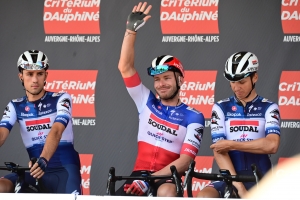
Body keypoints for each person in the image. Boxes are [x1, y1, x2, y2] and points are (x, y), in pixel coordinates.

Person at [116, 2, 205, 197]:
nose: (161, 84)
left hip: (168, 178)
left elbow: (185, 161)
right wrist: (130, 31)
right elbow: (125, 68)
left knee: (166, 193)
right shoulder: (146, 100)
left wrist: (149, 180)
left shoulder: (194, 116)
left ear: (180, 79)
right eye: (157, 79)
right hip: (137, 175)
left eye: (166, 78)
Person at [196, 51, 281, 198]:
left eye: (241, 82)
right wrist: (240, 189)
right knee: (205, 195)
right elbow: (219, 149)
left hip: (261, 177)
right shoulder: (221, 107)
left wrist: (231, 144)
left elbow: (271, 145)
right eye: (232, 82)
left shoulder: (269, 107)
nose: (236, 87)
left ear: (255, 77)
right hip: (231, 175)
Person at [0, 50, 82, 194]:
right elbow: (1, 134)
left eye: (39, 73)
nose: (35, 80)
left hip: (64, 172)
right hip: (37, 174)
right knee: (2, 186)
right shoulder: (15, 106)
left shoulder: (61, 98)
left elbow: (56, 130)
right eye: (29, 74)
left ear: (46, 75)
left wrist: (43, 159)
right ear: (21, 76)